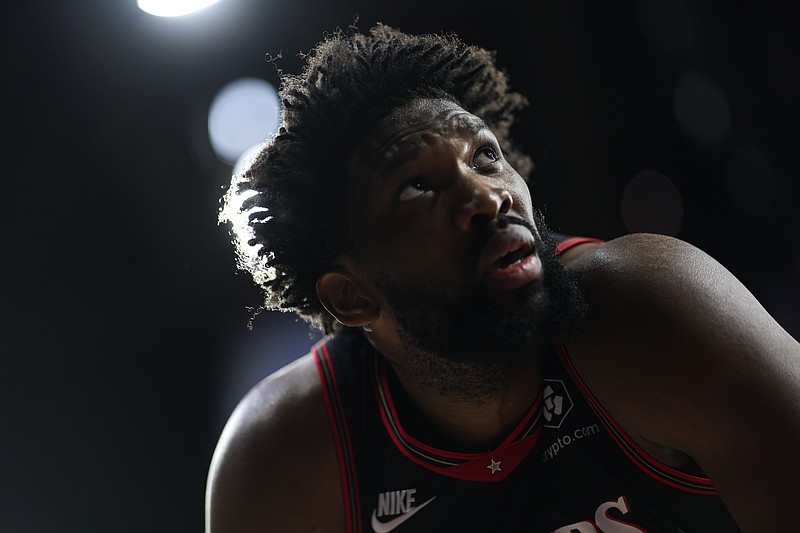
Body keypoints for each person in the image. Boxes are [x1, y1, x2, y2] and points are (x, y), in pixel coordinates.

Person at [206, 25, 800, 532]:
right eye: (418, 187)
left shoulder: (653, 313)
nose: (487, 197)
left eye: (485, 156)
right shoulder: (286, 462)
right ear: (353, 296)